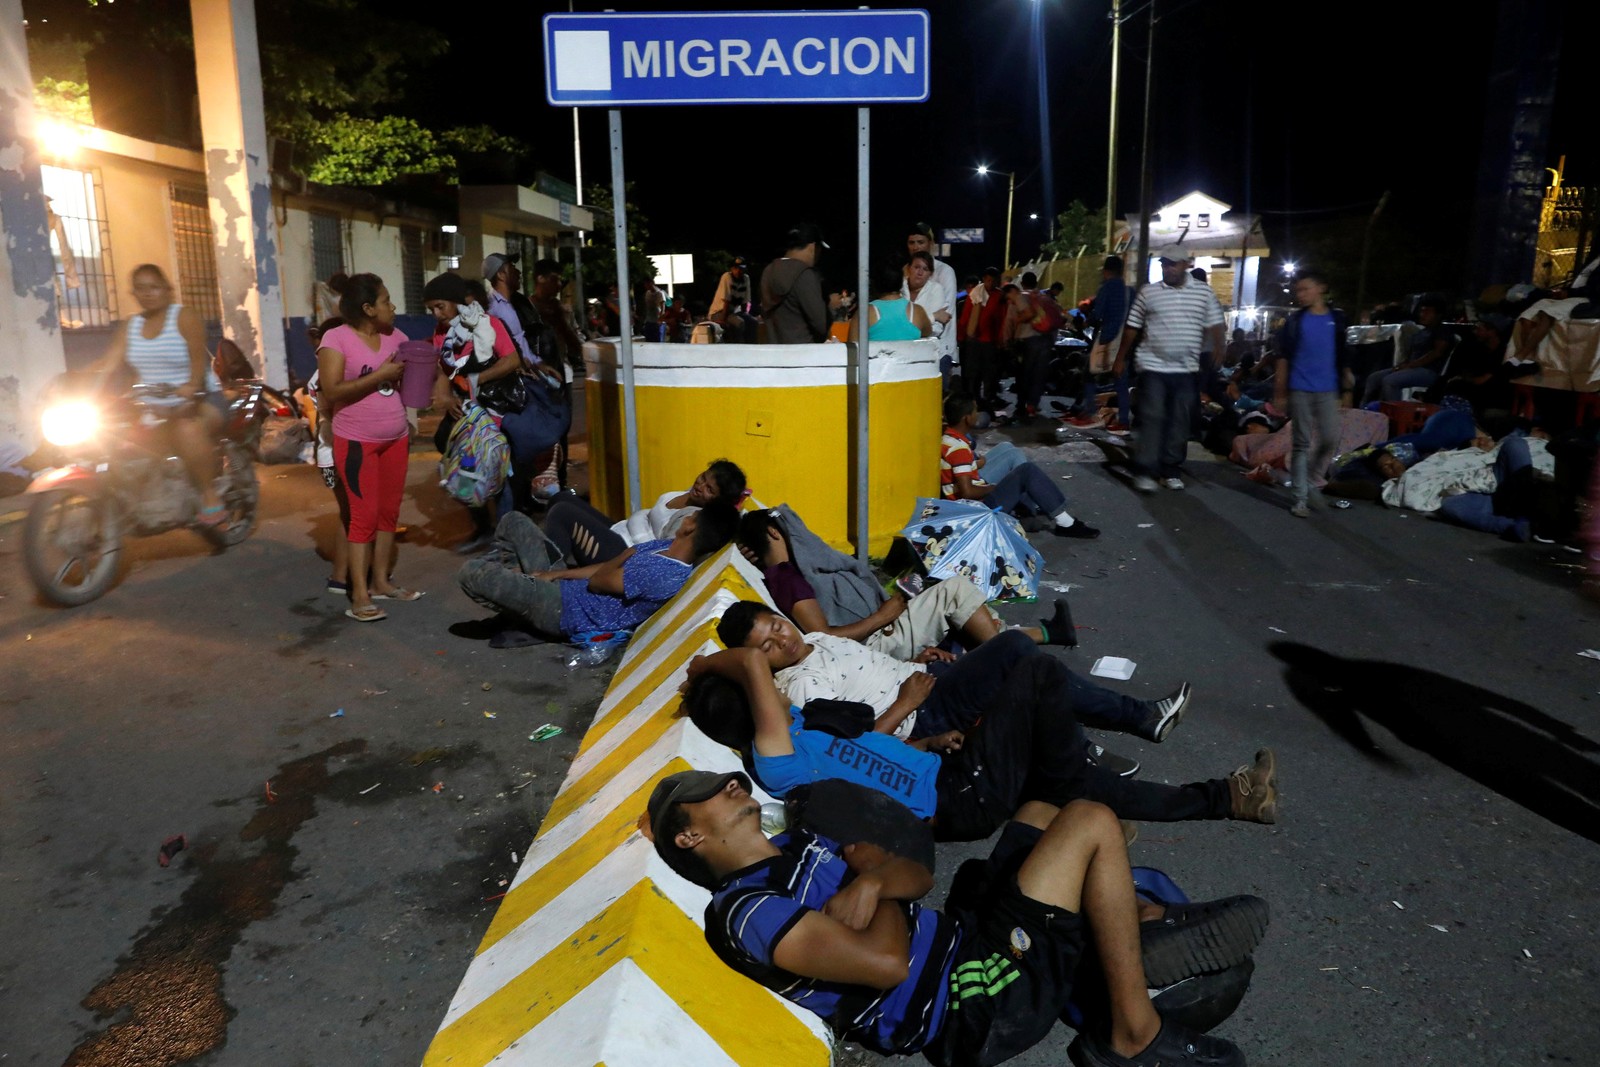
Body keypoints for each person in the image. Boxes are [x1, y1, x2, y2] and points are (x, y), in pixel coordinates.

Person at [643, 770, 1255, 1066]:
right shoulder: (745, 912)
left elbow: (916, 875)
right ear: (691, 836)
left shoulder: (801, 843)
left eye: (728, 779)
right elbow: (887, 964)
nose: (731, 782)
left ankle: (1118, 947)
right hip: (963, 1005)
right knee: (1089, 821)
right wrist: (873, 877)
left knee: (1041, 812)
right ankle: (1132, 1034)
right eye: (710, 789)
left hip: (963, 943)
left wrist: (878, 879)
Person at [680, 643, 1281, 840]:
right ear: (752, 716)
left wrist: (932, 741)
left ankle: (1230, 798)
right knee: (1034, 671)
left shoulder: (803, 732)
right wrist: (708, 667)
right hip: (959, 801)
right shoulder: (775, 761)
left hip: (950, 771)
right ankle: (1073, 788)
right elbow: (756, 668)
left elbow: (871, 764)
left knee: (1084, 786)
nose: (778, 697)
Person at [718, 601, 1191, 755]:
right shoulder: (800, 687)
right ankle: (1137, 718)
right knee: (1015, 652)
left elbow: (864, 671)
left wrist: (920, 662)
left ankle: (1097, 737)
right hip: (923, 713)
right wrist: (906, 700)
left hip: (927, 679)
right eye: (767, 646)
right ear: (759, 661)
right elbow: (850, 749)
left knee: (1025, 668)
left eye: (776, 626)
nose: (782, 640)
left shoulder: (815, 640)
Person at [736, 508, 1084, 653]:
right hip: (872, 643)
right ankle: (1007, 658)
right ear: (774, 531)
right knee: (955, 591)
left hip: (877, 627)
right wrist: (885, 615)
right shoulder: (787, 578)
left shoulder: (787, 574)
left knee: (947, 595)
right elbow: (821, 637)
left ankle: (1047, 634)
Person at [456, 499, 741, 647]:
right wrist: (555, 575)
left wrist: (627, 554)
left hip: (565, 612)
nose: (687, 517)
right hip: (566, 591)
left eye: (692, 516)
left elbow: (599, 580)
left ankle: (516, 602)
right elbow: (606, 569)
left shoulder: (665, 574)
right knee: (513, 520)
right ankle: (516, 597)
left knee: (472, 572)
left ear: (690, 527)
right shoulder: (666, 546)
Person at [313, 273, 423, 622]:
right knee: (363, 517)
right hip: (357, 441)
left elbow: (412, 375)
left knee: (389, 514)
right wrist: (380, 375)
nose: (392, 307)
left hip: (396, 439)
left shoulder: (396, 337)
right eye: (386, 301)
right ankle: (359, 594)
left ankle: (381, 583)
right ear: (367, 308)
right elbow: (331, 391)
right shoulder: (336, 338)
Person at [87, 264, 227, 521]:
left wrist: (192, 386)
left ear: (167, 290)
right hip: (150, 404)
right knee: (111, 434)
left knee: (187, 427)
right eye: (141, 288)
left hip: (200, 399)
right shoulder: (130, 325)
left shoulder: (184, 317)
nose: (148, 293)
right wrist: (77, 380)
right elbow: (109, 362)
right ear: (133, 293)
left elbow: (198, 362)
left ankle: (209, 494)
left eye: (154, 287)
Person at [425, 271, 523, 554]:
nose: (436, 313)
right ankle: (483, 527)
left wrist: (478, 379)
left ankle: (506, 541)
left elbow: (512, 360)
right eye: (431, 308)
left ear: (456, 302)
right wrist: (445, 396)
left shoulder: (488, 324)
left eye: (440, 306)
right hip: (465, 410)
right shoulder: (441, 332)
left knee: (496, 470)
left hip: (494, 408)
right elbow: (445, 369)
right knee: (464, 466)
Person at [1114, 252, 1225, 492]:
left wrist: (1220, 346)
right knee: (1153, 416)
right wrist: (1120, 357)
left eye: (1173, 264)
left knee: (1179, 419)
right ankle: (1146, 469)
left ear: (1186, 265)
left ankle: (1171, 468)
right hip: (1153, 366)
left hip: (1186, 369)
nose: (1168, 269)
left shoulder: (1203, 293)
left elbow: (1216, 322)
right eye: (1164, 264)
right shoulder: (1149, 292)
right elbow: (1132, 325)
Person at [943, 394, 1100, 538]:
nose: (977, 414)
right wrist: (994, 488)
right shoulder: (959, 449)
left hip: (974, 498)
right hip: (979, 509)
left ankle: (1029, 510)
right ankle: (1065, 523)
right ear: (966, 418)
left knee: (1007, 448)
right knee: (1027, 471)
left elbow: (959, 467)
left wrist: (975, 464)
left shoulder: (949, 438)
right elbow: (967, 492)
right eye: (975, 411)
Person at [544, 459, 748, 566]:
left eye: (710, 490)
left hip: (622, 553)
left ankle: (546, 573)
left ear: (718, 501)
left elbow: (666, 554)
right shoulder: (688, 493)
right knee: (561, 498)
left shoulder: (692, 518)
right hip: (619, 530)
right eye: (703, 477)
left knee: (563, 513)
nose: (700, 485)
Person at [1273, 271, 1352, 518]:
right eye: (1298, 290)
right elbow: (1283, 358)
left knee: (1330, 438)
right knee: (1301, 444)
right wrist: (1280, 392)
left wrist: (1347, 385)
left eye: (1306, 289)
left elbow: (1343, 354)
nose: (1301, 295)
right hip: (1300, 389)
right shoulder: (1295, 322)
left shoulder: (1337, 319)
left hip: (1328, 389)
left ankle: (1309, 477)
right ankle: (1299, 498)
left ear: (1321, 288)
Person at [1072, 257, 1131, 432]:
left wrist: (1084, 322)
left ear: (1106, 271)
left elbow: (1098, 314)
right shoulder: (1129, 291)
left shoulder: (1107, 288)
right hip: (1125, 340)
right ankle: (1124, 420)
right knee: (1121, 380)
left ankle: (1090, 411)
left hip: (1108, 338)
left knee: (1089, 374)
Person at [1361, 297, 1454, 404]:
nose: (1422, 315)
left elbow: (1437, 352)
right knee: (1374, 378)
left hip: (1429, 371)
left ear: (1438, 315)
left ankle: (1396, 413)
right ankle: (1366, 410)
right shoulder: (1422, 332)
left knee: (1390, 381)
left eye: (1427, 312)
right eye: (1421, 311)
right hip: (1412, 368)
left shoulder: (1443, 331)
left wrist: (1411, 365)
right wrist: (1402, 365)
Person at [760, 224, 832, 344]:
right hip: (803, 355)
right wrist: (829, 305)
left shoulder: (768, 270)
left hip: (774, 355)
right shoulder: (804, 274)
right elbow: (821, 326)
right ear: (813, 247)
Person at [907, 222, 959, 376]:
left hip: (939, 350)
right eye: (912, 243)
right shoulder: (904, 272)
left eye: (920, 242)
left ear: (931, 243)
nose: (916, 247)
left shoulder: (945, 272)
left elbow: (944, 315)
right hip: (910, 350)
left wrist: (911, 322)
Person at [961, 267, 1009, 414]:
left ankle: (989, 399)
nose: (990, 283)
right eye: (988, 280)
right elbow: (965, 317)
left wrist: (1002, 339)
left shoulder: (1000, 297)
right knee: (974, 372)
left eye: (993, 281)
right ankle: (975, 400)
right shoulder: (975, 295)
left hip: (990, 341)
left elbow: (1003, 319)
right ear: (984, 279)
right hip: (974, 340)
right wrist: (962, 336)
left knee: (990, 373)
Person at [530, 259, 588, 374]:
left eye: (560, 280)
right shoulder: (526, 309)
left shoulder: (562, 310)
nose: (559, 285)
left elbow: (576, 346)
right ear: (540, 279)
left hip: (562, 371)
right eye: (554, 280)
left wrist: (561, 322)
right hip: (536, 373)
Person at [853, 262, 931, 342]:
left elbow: (853, 348)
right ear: (901, 283)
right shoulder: (918, 311)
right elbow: (927, 334)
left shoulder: (865, 312)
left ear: (875, 284)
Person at [708, 256, 758, 343]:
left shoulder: (746, 278)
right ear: (732, 269)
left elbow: (745, 302)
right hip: (719, 312)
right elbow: (726, 301)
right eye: (736, 268)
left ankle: (752, 346)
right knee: (739, 322)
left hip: (733, 313)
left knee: (753, 322)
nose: (738, 271)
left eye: (741, 269)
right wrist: (723, 321)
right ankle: (739, 347)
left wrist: (745, 315)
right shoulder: (727, 277)